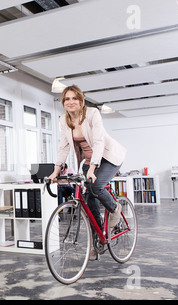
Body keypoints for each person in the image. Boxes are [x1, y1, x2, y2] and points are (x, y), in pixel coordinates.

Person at [48, 85, 126, 259]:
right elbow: (64, 147)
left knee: (96, 186)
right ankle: (98, 239)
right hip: (89, 160)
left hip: (108, 157)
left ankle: (115, 209)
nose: (70, 102)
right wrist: (55, 171)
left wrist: (92, 169)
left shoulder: (92, 114)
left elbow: (98, 142)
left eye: (74, 98)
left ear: (81, 100)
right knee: (89, 200)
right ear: (63, 102)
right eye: (67, 99)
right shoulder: (64, 119)